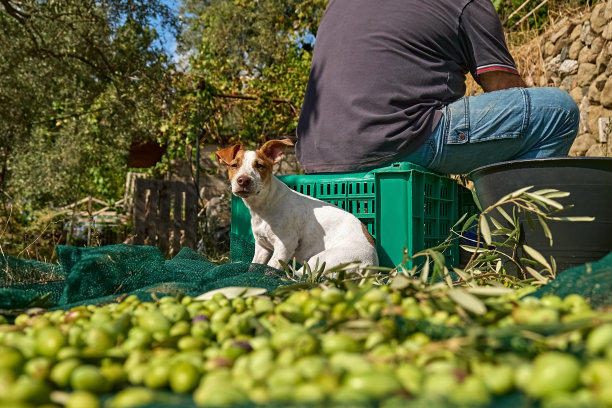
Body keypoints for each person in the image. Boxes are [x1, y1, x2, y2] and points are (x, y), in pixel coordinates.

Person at [295, 0, 579, 175]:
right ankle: (499, 240)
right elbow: (505, 88)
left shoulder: (337, 3)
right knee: (556, 111)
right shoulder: (467, 3)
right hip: (394, 140)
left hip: (315, 155)